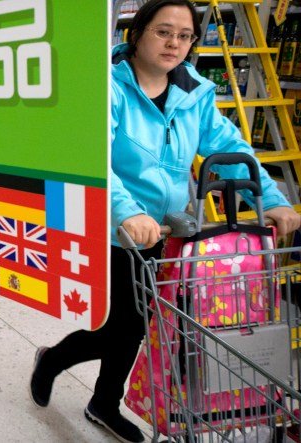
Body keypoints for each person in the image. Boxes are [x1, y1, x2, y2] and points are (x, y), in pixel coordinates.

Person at [29, 1, 301, 442]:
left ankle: (101, 400)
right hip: (109, 226)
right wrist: (127, 211)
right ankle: (59, 362)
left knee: (139, 322)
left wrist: (269, 198)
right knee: (122, 325)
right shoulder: (106, 87)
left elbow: (229, 147)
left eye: (184, 35)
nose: (174, 43)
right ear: (137, 33)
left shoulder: (195, 93)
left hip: (170, 231)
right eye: (163, 32)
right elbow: (94, 156)